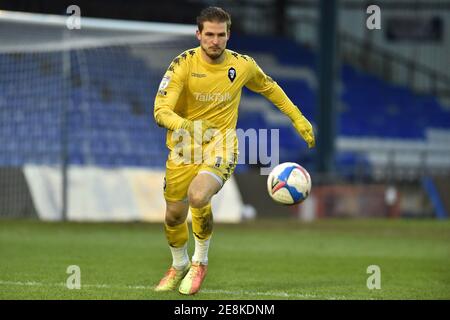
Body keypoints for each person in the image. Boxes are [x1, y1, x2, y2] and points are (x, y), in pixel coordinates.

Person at [153, 6, 315, 295]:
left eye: (221, 35)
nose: (215, 41)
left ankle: (199, 262)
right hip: (182, 148)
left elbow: (270, 88)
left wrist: (298, 118)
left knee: (198, 195)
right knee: (173, 217)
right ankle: (178, 265)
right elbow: (160, 110)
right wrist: (188, 127)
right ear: (198, 34)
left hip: (222, 144)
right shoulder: (182, 65)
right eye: (209, 35)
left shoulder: (242, 66)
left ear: (229, 35)